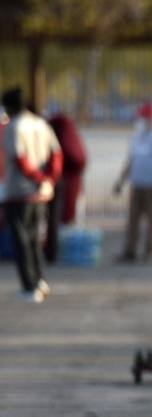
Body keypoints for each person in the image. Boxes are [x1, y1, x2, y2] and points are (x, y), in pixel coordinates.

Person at [1, 88, 61, 303]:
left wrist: (36, 177)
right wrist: (49, 178)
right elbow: (56, 154)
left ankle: (30, 286)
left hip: (20, 192)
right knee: (36, 239)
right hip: (42, 193)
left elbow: (19, 158)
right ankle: (40, 279)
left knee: (21, 241)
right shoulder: (41, 124)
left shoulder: (14, 127)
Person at [114, 101, 152, 263]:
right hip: (137, 184)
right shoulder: (136, 137)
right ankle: (130, 250)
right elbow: (131, 161)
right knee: (132, 220)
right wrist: (120, 181)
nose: (143, 121)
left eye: (146, 117)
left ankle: (150, 251)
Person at [43, 108, 86, 265]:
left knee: (57, 217)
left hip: (57, 181)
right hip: (61, 180)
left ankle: (53, 251)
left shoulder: (59, 133)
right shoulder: (66, 133)